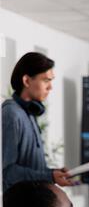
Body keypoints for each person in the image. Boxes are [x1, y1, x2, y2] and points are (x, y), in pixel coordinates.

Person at [2, 52, 73, 192]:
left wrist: (53, 173)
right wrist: (49, 176)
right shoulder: (11, 114)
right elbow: (7, 173)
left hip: (36, 204)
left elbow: (31, 167)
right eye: (46, 80)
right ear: (27, 81)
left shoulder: (30, 113)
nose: (50, 87)